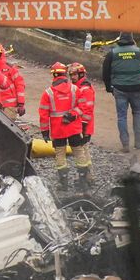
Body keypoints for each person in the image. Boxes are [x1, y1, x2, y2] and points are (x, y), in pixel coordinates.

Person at [38, 62, 83, 191]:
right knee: (79, 153)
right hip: (74, 127)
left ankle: (64, 184)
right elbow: (83, 107)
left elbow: (43, 114)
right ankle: (83, 180)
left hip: (58, 130)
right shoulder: (75, 89)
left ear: (54, 75)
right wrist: (73, 115)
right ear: (65, 74)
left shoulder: (48, 93)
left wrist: (45, 132)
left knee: (60, 155)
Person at [102, 32, 140, 152]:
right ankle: (138, 143)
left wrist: (109, 87)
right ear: (132, 40)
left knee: (122, 116)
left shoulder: (112, 53)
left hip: (120, 88)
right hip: (136, 88)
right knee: (137, 113)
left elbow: (105, 72)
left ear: (119, 40)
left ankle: (125, 144)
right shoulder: (139, 51)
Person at [68, 62, 95, 191]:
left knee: (82, 151)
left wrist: (83, 127)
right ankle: (88, 176)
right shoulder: (78, 87)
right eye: (70, 75)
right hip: (81, 125)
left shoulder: (85, 88)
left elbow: (87, 110)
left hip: (84, 126)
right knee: (84, 150)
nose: (72, 77)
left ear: (81, 74)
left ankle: (86, 177)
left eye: (74, 74)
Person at [0, 43, 26, 117]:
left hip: (9, 106)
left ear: (0, 54)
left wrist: (21, 103)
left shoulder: (9, 68)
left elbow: (20, 85)